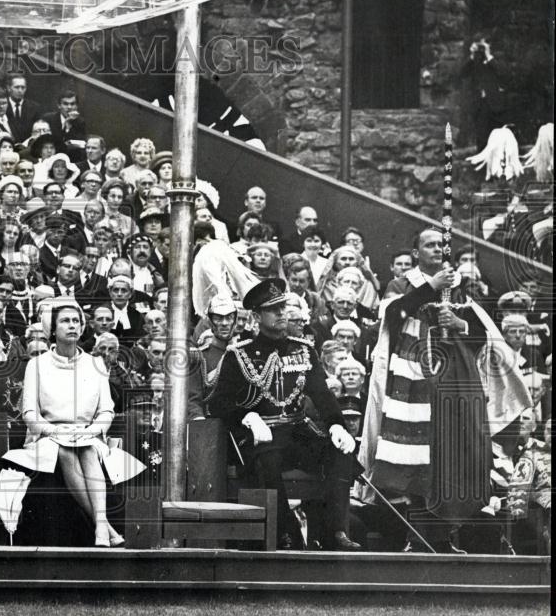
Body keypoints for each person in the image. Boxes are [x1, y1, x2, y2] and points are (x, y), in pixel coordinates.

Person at [357, 228, 531, 552]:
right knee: (420, 459)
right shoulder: (403, 285)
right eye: (429, 244)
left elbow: (483, 336)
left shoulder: (459, 288)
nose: (437, 249)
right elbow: (393, 317)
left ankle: (443, 537)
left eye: (441, 244)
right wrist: (430, 288)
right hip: (415, 382)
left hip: (456, 383)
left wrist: (459, 324)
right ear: (416, 250)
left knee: (455, 457)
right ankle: (419, 539)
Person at [206, 279, 362, 550]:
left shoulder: (303, 349)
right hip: (260, 436)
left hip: (297, 431)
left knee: (340, 454)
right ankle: (287, 534)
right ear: (256, 316)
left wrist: (337, 425)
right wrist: (247, 416)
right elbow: (218, 404)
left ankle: (334, 532)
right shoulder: (238, 354)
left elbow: (322, 396)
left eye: (282, 307)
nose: (281, 314)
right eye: (273, 310)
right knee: (267, 461)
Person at [10, 297, 143, 547]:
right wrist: (55, 431)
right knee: (64, 451)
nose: (72, 326)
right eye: (65, 321)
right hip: (47, 437)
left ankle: (102, 525)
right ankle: (103, 526)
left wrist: (91, 431)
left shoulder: (96, 364)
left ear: (83, 327)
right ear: (52, 329)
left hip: (88, 435)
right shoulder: (36, 365)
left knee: (87, 448)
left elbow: (106, 411)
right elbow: (29, 413)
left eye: (76, 321)